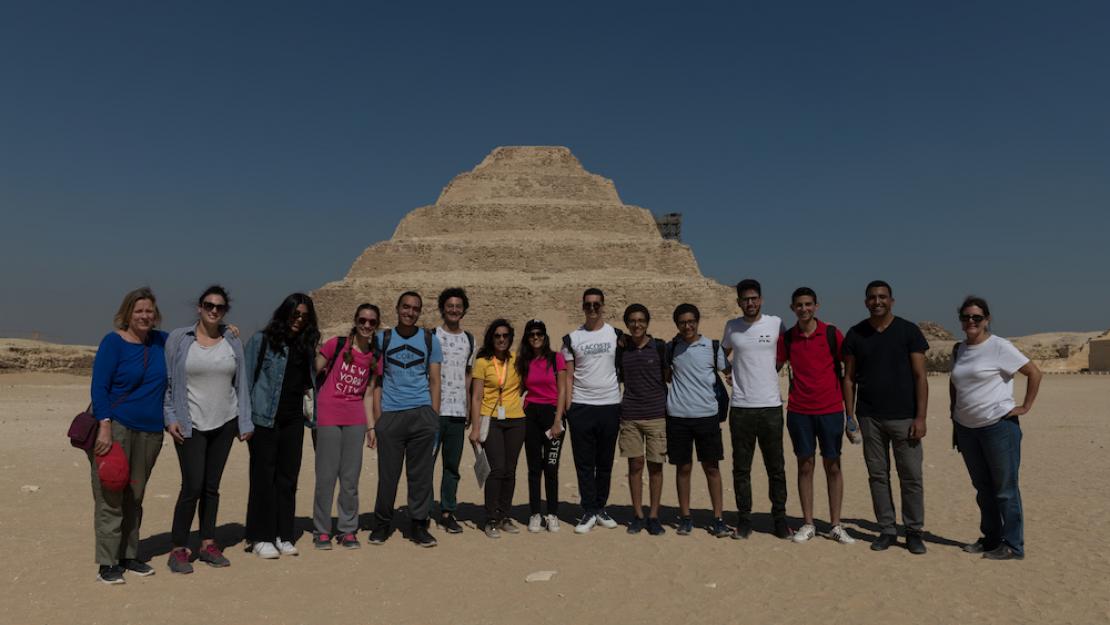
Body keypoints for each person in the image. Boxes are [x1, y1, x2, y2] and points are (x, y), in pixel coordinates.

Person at [164, 285, 253, 573]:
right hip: (190, 423)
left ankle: (207, 543)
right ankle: (178, 548)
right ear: (199, 307)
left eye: (220, 307)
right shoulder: (179, 339)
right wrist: (170, 417)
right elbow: (168, 382)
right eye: (208, 305)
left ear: (225, 311)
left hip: (225, 421)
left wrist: (244, 421)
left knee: (211, 487)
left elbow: (241, 383)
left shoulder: (232, 340)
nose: (214, 310)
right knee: (192, 486)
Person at [950, 296, 1041, 561]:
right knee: (983, 488)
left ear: (987, 319)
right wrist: (954, 416)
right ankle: (991, 539)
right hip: (967, 429)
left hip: (998, 427)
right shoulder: (959, 350)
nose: (971, 322)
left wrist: (1025, 406)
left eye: (977, 317)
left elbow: (1034, 373)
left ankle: (1013, 545)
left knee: (1005, 489)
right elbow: (955, 383)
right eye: (966, 317)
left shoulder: (1000, 347)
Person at [842, 280, 930, 554]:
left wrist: (921, 417)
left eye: (882, 297)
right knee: (878, 476)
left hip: (904, 417)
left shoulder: (908, 331)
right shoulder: (856, 334)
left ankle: (914, 531)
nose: (877, 301)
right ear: (865, 301)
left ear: (892, 300)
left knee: (911, 476)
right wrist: (850, 415)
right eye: (872, 297)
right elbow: (848, 378)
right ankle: (887, 529)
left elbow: (920, 376)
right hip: (870, 417)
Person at [89, 287, 168, 584]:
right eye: (139, 311)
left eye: (149, 311)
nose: (145, 316)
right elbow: (99, 387)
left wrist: (226, 328)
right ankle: (107, 563)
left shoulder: (162, 341)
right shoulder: (113, 343)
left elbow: (196, 338)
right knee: (111, 494)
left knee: (135, 496)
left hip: (150, 432)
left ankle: (129, 555)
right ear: (127, 314)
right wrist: (105, 426)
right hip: (117, 428)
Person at [243, 293, 320, 559]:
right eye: (295, 314)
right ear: (284, 313)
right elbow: (245, 381)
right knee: (263, 478)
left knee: (288, 479)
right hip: (264, 418)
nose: (298, 320)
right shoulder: (261, 341)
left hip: (293, 420)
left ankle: (283, 534)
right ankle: (259, 536)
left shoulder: (306, 345)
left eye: (304, 317)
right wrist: (244, 420)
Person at [777, 287, 855, 545]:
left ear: (816, 306)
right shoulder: (788, 338)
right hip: (800, 411)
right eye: (799, 305)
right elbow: (770, 367)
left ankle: (835, 524)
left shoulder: (832, 334)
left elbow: (850, 370)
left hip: (831, 409)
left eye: (808, 304)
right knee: (805, 465)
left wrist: (851, 413)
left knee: (833, 466)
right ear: (792, 308)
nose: (804, 309)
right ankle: (808, 523)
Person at [368, 291, 442, 548]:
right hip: (391, 414)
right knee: (388, 476)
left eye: (415, 309)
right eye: (406, 307)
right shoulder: (382, 339)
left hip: (421, 412)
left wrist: (433, 417)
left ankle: (418, 525)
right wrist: (379, 420)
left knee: (420, 476)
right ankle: (381, 524)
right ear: (397, 308)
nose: (410, 312)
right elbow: (376, 382)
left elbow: (435, 381)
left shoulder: (430, 340)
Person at [722, 279, 790, 539]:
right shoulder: (732, 327)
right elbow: (721, 352)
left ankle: (780, 519)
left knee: (776, 467)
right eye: (745, 299)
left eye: (754, 298)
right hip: (741, 407)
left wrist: (771, 372)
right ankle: (745, 519)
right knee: (741, 468)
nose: (750, 303)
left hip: (771, 406)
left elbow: (783, 353)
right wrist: (730, 372)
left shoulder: (776, 324)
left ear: (761, 299)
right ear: (738, 302)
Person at [311, 304, 379, 550]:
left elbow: (369, 394)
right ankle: (322, 530)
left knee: (350, 479)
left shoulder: (374, 356)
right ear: (355, 320)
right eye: (363, 320)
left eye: (372, 322)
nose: (367, 325)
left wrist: (371, 428)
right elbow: (311, 372)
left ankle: (348, 529)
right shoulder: (336, 345)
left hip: (355, 420)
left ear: (376, 325)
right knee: (326, 477)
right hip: (328, 416)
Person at [561, 288, 623, 534]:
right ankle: (588, 510)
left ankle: (600, 508)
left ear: (604, 306)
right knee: (584, 463)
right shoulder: (572, 339)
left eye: (597, 304)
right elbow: (568, 375)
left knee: (605, 462)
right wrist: (569, 408)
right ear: (582, 307)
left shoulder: (617, 335)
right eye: (588, 305)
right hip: (582, 406)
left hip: (609, 405)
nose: (593, 309)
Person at [667, 303, 731, 538]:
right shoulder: (671, 348)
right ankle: (685, 517)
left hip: (707, 416)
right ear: (677, 325)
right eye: (682, 322)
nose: (687, 326)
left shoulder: (712, 347)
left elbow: (731, 373)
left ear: (697, 321)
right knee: (683, 468)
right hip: (678, 417)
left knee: (712, 468)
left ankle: (718, 518)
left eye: (691, 321)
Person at [469, 320, 527, 538]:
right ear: (491, 338)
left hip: (516, 419)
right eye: (497, 336)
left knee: (511, 470)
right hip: (491, 418)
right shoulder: (483, 362)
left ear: (510, 337)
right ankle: (491, 517)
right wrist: (475, 428)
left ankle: (504, 515)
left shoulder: (517, 360)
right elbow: (476, 397)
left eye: (505, 336)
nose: (501, 339)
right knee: (496, 469)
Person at [618, 304, 669, 535]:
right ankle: (638, 515)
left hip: (656, 415)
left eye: (641, 320)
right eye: (632, 321)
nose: (637, 324)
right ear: (627, 324)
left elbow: (670, 375)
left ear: (647, 323)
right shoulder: (623, 349)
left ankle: (654, 515)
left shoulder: (659, 348)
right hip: (630, 416)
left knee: (656, 467)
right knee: (635, 465)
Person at [516, 319, 567, 533]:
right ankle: (535, 513)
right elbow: (517, 389)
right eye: (531, 334)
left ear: (545, 336)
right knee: (534, 467)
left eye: (539, 334)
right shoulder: (524, 361)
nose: (535, 337)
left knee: (551, 467)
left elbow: (563, 390)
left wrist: (558, 420)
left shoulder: (556, 359)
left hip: (552, 415)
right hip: (531, 415)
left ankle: (552, 513)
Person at [432, 288, 476, 534]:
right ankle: (424, 510)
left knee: (452, 466)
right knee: (425, 465)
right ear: (442, 308)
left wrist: (469, 407)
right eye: (450, 305)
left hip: (458, 412)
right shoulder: (431, 336)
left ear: (464, 310)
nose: (454, 310)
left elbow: (469, 375)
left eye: (458, 306)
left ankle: (448, 511)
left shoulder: (470, 339)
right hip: (433, 411)